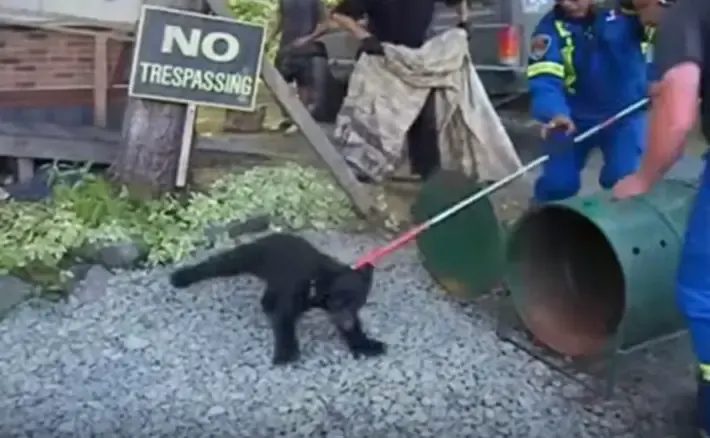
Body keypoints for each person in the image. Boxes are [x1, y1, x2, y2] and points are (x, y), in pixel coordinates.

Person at [612, 0, 710, 434]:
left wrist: (645, 176)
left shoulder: (684, 12)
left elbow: (678, 113)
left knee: (702, 293)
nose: (641, 21)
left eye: (638, 9)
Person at [527, 0, 652, 202]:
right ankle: (540, 223)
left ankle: (615, 227)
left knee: (623, 178)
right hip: (571, 119)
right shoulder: (547, 31)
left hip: (624, 115)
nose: (569, 3)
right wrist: (554, 113)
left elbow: (665, 34)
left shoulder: (627, 11)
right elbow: (544, 81)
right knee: (559, 184)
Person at [329, 0, 469, 180]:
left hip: (415, 62)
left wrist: (464, 22)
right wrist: (364, 37)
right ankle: (364, 168)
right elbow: (340, 15)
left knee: (424, 117)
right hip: (381, 59)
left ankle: (427, 173)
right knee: (376, 117)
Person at [268, 0, 327, 132]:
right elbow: (280, 19)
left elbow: (325, 23)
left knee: (304, 87)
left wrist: (309, 38)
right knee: (276, 83)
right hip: (286, 46)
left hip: (307, 48)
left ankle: (300, 121)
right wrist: (270, 38)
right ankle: (288, 116)